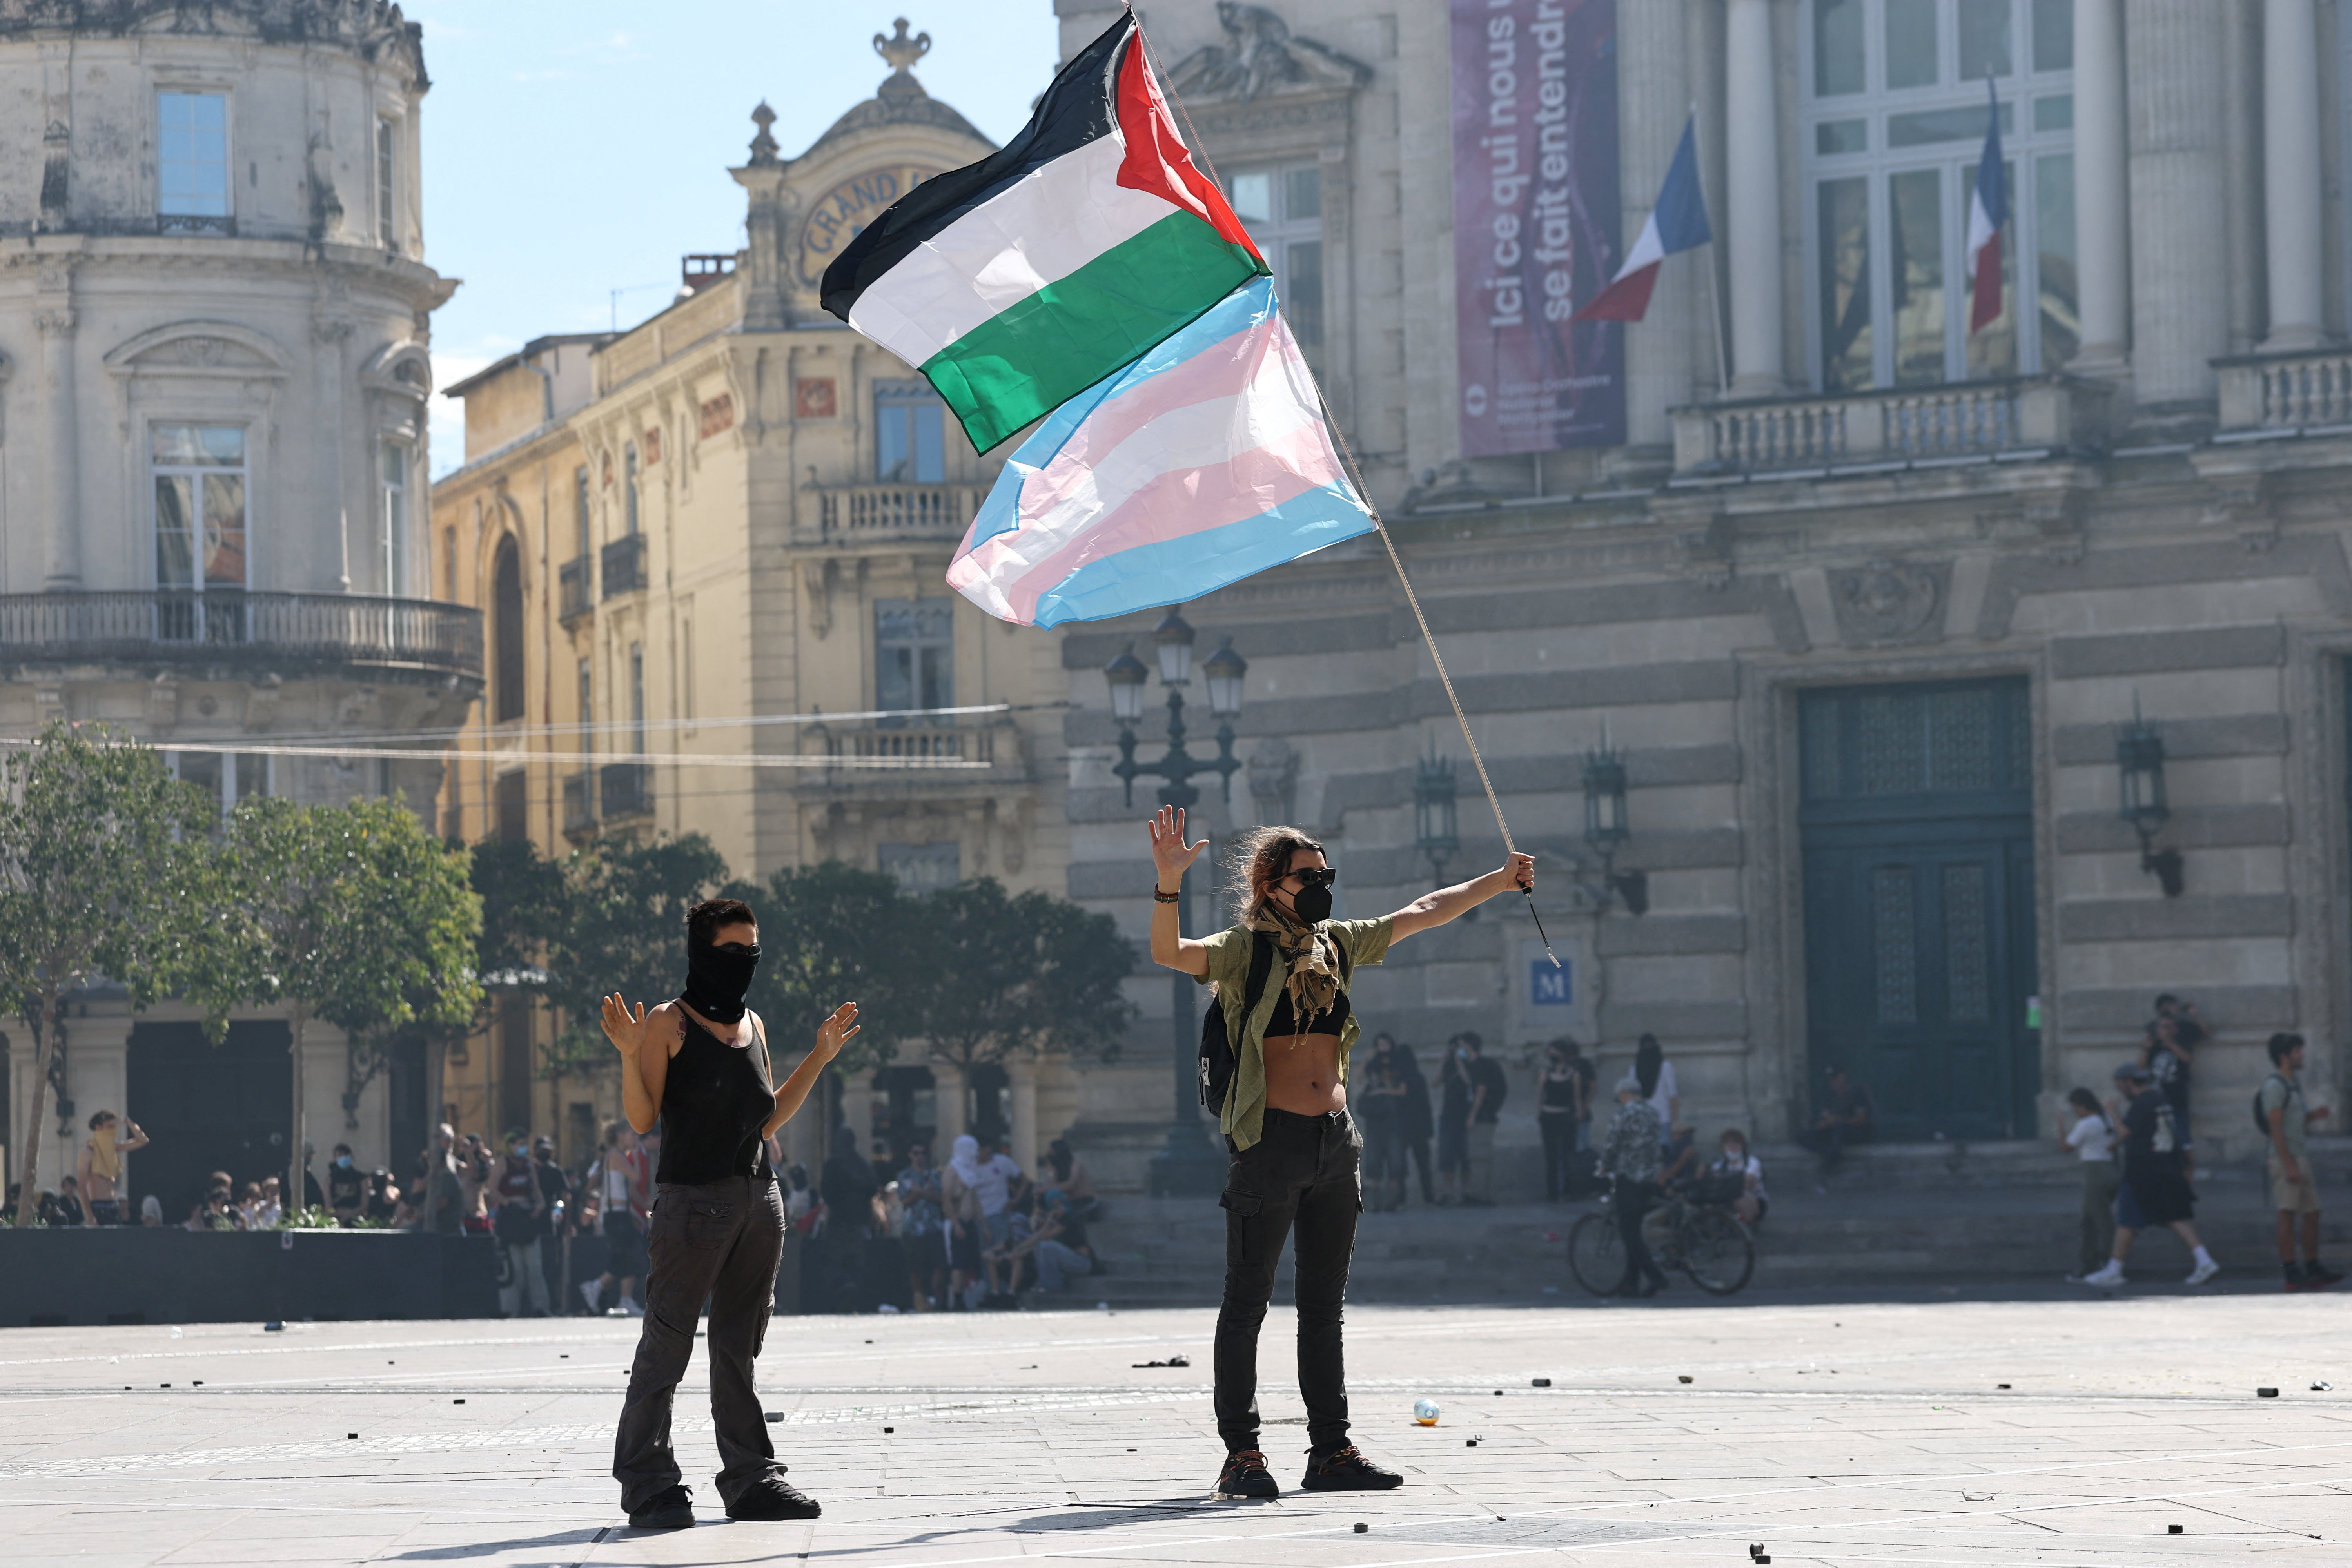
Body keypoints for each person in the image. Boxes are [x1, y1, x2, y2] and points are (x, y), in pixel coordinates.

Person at [1147, 805, 1534, 1500]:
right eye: (1307, 875)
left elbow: (1423, 911)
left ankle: (1331, 1451)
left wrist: (1498, 882)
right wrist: (1168, 884)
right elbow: (1171, 955)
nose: (1322, 884)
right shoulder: (1243, 949)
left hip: (1335, 1142)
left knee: (1324, 1309)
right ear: (1271, 885)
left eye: (1327, 873)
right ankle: (1243, 1454)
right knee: (1247, 1306)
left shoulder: (1337, 944)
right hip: (1268, 1144)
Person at [599, 895, 860, 1528]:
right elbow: (641, 1118)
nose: (745, 961)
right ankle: (649, 1485)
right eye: (733, 951)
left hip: (757, 1200)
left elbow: (766, 1117)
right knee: (666, 1347)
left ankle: (752, 1482)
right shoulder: (670, 1022)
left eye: (753, 951)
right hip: (693, 1204)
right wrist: (632, 1054)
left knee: (739, 1346)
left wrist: (820, 1056)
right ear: (701, 951)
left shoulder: (754, 1025)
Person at [2079, 1063, 2219, 1288]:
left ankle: (2114, 1270)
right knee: (2170, 1218)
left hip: (2143, 1172)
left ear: (2128, 1082)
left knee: (2127, 1220)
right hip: (2162, 1168)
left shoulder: (2143, 1102)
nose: (2119, 1092)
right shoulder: (2158, 1100)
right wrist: (2118, 1144)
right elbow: (2146, 1132)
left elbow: (2126, 1130)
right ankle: (2204, 1260)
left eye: (2119, 1086)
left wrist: (2111, 1112)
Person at [2259, 1033, 2340, 1291]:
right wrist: (2289, 1164)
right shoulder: (2275, 1086)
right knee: (2287, 1214)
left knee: (2313, 1213)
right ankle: (2292, 1272)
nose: (2301, 1056)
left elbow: (2294, 1123)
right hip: (2285, 1158)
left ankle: (2313, 1266)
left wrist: (2314, 1116)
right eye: (2297, 1051)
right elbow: (2276, 1127)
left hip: (2298, 1155)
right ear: (2284, 1056)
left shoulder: (2292, 1084)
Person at [1599, 1075, 1670, 1297]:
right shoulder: (1653, 1113)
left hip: (1628, 1178)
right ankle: (1630, 1283)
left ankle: (1656, 1277)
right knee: (1635, 1231)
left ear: (1623, 1095)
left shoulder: (1623, 1114)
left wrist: (1605, 1166)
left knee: (1628, 1232)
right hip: (1648, 1178)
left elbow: (1612, 1144)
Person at [585, 1122, 650, 1316]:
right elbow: (635, 1177)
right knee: (629, 1255)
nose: (636, 1140)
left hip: (622, 1214)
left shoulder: (622, 1156)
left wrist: (640, 1212)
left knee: (626, 1256)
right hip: (614, 1215)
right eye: (633, 1135)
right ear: (621, 1135)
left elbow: (630, 1191)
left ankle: (610, 1293)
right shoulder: (615, 1155)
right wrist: (637, 1156)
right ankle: (601, 1288)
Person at [2058, 1087, 2120, 1282]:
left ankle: (2108, 1264)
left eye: (2075, 1108)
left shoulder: (2086, 1124)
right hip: (2112, 1169)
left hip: (2095, 1173)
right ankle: (2095, 1262)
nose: (2075, 1112)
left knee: (2099, 1221)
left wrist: (2060, 1127)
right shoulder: (2106, 1119)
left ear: (2083, 1106)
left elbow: (2066, 1147)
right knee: (2090, 1218)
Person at [493, 1131, 552, 1318]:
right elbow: (493, 1189)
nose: (523, 1147)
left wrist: (540, 1206)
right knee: (514, 1268)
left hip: (527, 1217)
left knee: (534, 1265)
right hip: (510, 1216)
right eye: (519, 1143)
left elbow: (536, 1190)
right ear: (510, 1145)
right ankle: (511, 1309)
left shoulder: (529, 1165)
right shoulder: (503, 1163)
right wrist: (508, 1205)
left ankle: (540, 1306)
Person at [1353, 1036, 1405, 1212]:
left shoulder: (1398, 1065)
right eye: (1380, 1045)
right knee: (1374, 1162)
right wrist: (1366, 1058)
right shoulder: (1373, 1066)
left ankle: (1393, 1202)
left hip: (1393, 1121)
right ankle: (1376, 1202)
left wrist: (1381, 1090)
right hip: (1375, 1122)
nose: (1382, 1048)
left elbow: (1402, 1091)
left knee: (1395, 1162)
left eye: (1386, 1044)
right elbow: (1360, 1079)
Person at [1797, 1065, 1875, 1175]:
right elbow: (1825, 1117)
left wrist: (1838, 1121)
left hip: (1856, 1131)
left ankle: (1829, 1163)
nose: (1833, 1082)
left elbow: (1861, 1119)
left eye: (1835, 1078)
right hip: (1835, 1131)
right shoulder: (1831, 1098)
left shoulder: (1857, 1093)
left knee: (1840, 1129)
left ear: (1843, 1077)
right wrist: (1824, 1124)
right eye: (1831, 1080)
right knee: (1803, 1136)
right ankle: (1832, 1155)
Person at [895, 1142, 946, 1310]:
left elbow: (941, 1199)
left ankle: (937, 1300)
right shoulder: (904, 1176)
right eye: (916, 1153)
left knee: (939, 1265)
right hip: (913, 1228)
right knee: (914, 1267)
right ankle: (919, 1300)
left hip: (933, 1226)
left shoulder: (935, 1175)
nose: (920, 1156)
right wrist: (924, 1194)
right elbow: (904, 1201)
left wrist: (920, 1193)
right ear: (910, 1155)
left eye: (923, 1153)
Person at [77, 1111, 148, 1226]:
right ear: (98, 1127)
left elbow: (143, 1140)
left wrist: (127, 1121)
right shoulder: (88, 1153)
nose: (112, 1130)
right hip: (98, 1207)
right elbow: (81, 1186)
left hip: (114, 1205)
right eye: (109, 1126)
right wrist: (90, 1217)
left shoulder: (113, 1149)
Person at [1390, 1038, 1438, 1206]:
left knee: (1400, 1165)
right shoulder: (1418, 1078)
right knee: (1424, 1165)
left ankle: (1400, 1197)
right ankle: (1428, 1195)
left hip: (1403, 1127)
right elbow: (1426, 1106)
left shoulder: (1399, 1080)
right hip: (1419, 1128)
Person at [1460, 1035, 1508, 1206]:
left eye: (1462, 1046)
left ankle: (1479, 1195)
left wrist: (1472, 1116)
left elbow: (1481, 1090)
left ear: (1469, 1046)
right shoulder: (1476, 1065)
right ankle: (1478, 1194)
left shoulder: (1482, 1065)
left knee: (1479, 1157)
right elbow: (1469, 1081)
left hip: (1482, 1117)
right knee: (1476, 1157)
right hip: (1483, 1116)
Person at [1537, 1042, 1581, 1202]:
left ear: (1563, 1054)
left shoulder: (1574, 1073)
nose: (1551, 1055)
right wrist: (1539, 1112)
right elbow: (1541, 1094)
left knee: (1568, 1155)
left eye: (1554, 1052)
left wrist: (1579, 1112)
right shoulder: (1545, 1072)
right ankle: (1553, 1193)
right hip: (1549, 1116)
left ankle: (1570, 1190)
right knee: (1551, 1157)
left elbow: (1576, 1097)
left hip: (1566, 1117)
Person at [1436, 1037, 1474, 1206]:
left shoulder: (1471, 1065)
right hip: (1448, 1117)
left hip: (1465, 1116)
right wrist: (1444, 1062)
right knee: (1447, 1158)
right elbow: (1434, 1083)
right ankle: (1448, 1193)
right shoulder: (1448, 1067)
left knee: (1466, 1157)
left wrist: (1460, 1062)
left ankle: (1466, 1193)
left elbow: (1468, 1082)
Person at [1703, 1129, 1766, 1226]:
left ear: (1743, 1146)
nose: (1733, 1148)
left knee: (1741, 1196)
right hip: (1727, 1198)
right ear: (1723, 1147)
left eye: (1737, 1144)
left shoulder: (1752, 1162)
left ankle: (1750, 1223)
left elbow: (1746, 1182)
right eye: (1729, 1145)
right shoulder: (1719, 1165)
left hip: (1754, 1200)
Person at [1633, 1034, 1679, 1134]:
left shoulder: (1634, 1069)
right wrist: (1675, 1120)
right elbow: (1673, 1096)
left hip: (1655, 1120)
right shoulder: (1666, 1067)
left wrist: (1675, 1122)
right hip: (1655, 1120)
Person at [425, 1125, 463, 1237]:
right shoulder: (428, 1163)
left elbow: (443, 1202)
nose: (451, 1140)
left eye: (453, 1136)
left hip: (450, 1228)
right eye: (447, 1136)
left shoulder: (447, 1175)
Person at [327, 1143, 367, 1227]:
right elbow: (328, 1204)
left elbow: (365, 1204)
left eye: (346, 1155)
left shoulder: (361, 1179)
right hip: (335, 1221)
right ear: (335, 1159)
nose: (344, 1158)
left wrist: (350, 1214)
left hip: (356, 1221)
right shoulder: (330, 1179)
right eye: (340, 1155)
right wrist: (336, 1215)